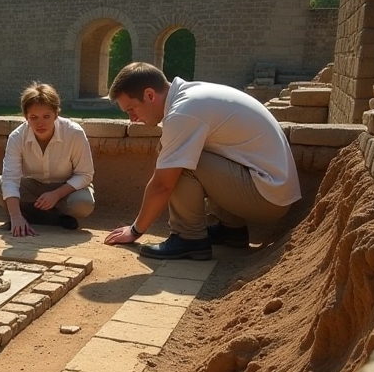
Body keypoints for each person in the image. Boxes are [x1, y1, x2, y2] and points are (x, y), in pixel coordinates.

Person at [103, 62, 300, 260]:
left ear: (150, 95)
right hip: (272, 189)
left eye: (131, 109)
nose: (132, 119)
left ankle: (189, 239)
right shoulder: (191, 96)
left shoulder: (183, 112)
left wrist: (135, 230)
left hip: (268, 198)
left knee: (180, 163)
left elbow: (163, 185)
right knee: (185, 152)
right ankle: (231, 231)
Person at [0, 82, 95, 237]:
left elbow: (85, 174)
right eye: (33, 117)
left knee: (83, 204)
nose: (40, 123)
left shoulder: (74, 133)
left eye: (46, 116)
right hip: (32, 187)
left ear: (56, 114)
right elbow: (11, 179)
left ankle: (44, 215)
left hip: (65, 189)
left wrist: (56, 194)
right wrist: (15, 217)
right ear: (26, 117)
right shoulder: (17, 137)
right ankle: (31, 217)